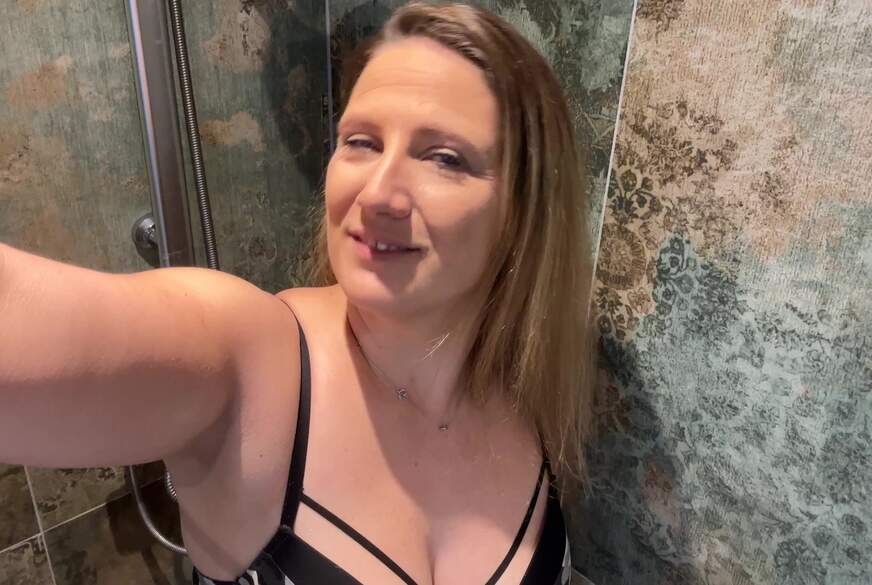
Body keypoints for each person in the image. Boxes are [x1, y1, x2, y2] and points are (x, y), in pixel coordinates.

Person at [0, 2, 594, 584]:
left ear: (524, 209)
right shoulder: (250, 363)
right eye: (361, 142)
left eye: (444, 157)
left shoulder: (526, 380)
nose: (376, 194)